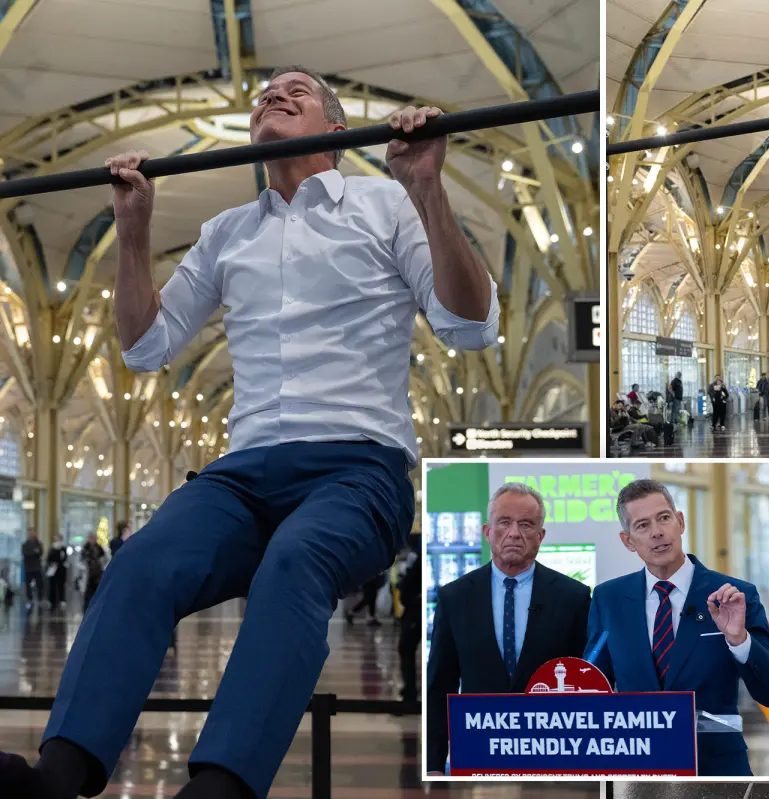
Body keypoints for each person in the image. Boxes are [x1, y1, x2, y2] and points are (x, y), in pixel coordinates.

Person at [0, 66, 499, 799]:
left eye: (297, 91)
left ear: (337, 132)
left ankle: (221, 785)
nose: (274, 92)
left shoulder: (383, 203)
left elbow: (470, 324)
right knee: (139, 564)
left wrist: (426, 187)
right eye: (265, 91)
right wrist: (133, 233)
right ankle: (60, 772)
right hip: (244, 472)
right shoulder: (227, 232)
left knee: (295, 561)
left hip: (358, 468)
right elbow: (146, 346)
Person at [586, 479, 769, 777]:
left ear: (680, 522)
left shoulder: (736, 595)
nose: (657, 532)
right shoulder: (607, 599)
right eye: (642, 525)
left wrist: (739, 640)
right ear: (628, 541)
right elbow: (594, 685)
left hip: (717, 769)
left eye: (664, 518)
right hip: (638, 768)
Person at [426, 483, 591, 775]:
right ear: (488, 532)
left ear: (540, 536)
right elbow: (440, 686)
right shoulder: (455, 597)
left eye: (526, 524)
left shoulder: (574, 597)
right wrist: (434, 765)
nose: (514, 533)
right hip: (476, 748)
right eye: (504, 522)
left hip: (551, 753)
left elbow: (585, 685)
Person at [396, 539, 422, 714]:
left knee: (406, 649)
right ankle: (409, 690)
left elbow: (409, 584)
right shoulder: (418, 559)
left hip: (415, 610)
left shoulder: (418, 561)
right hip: (414, 609)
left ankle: (410, 694)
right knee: (406, 649)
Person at [80, 533, 106, 611]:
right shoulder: (86, 548)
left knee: (97, 591)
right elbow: (82, 560)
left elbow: (103, 558)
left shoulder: (99, 547)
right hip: (88, 573)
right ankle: (86, 608)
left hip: (98, 573)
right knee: (88, 593)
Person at [21, 530, 43, 610]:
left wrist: (34, 552)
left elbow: (40, 552)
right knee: (28, 585)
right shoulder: (25, 544)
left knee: (39, 584)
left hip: (37, 567)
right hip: (28, 568)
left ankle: (40, 599)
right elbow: (25, 554)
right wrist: (34, 552)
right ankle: (29, 599)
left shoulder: (39, 543)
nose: (32, 534)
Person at [46, 535, 68, 611]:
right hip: (53, 570)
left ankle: (62, 600)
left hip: (61, 570)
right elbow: (48, 559)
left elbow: (65, 558)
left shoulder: (63, 548)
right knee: (52, 586)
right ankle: (52, 601)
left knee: (61, 586)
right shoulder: (51, 548)